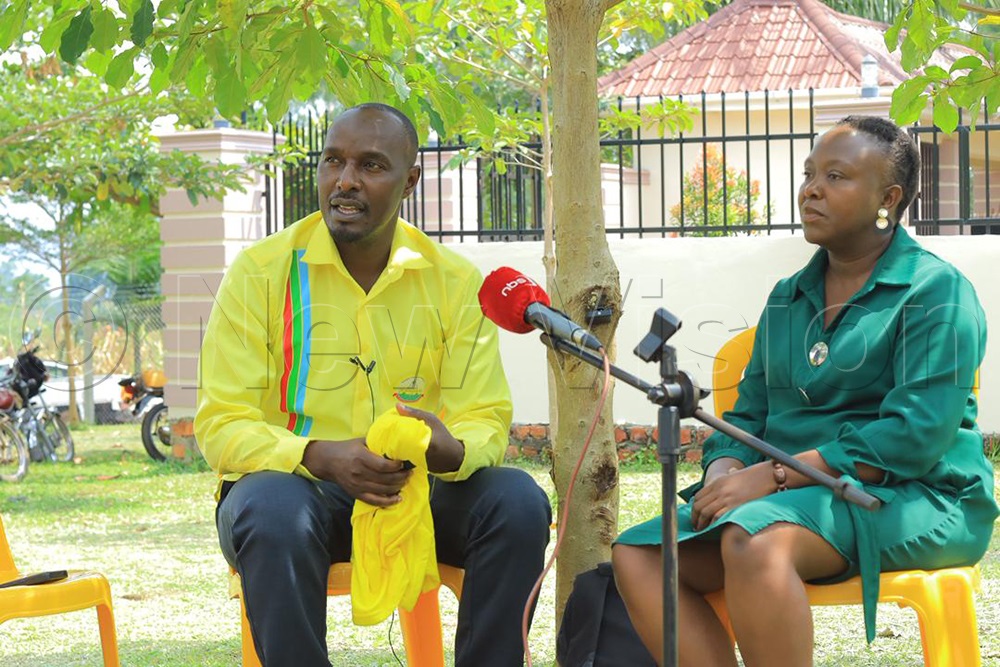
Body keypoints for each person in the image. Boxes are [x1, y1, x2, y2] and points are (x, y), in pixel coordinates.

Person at [612, 116, 998, 666]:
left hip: (919, 495)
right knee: (641, 554)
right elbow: (748, 414)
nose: (811, 189)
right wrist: (724, 474)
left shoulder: (935, 291)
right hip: (792, 498)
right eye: (808, 173)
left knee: (757, 540)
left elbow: (915, 434)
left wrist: (770, 476)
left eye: (836, 177)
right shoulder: (787, 297)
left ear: (888, 198)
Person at [195, 103, 552, 666]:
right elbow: (221, 425)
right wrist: (320, 455)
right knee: (269, 505)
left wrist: (448, 447)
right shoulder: (261, 273)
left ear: (410, 179)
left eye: (371, 165)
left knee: (517, 501)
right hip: (301, 496)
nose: (345, 181)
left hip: (416, 492)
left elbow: (484, 414)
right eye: (332, 161)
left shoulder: (454, 282)